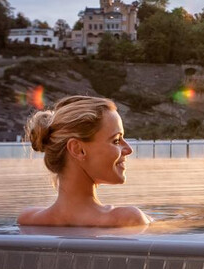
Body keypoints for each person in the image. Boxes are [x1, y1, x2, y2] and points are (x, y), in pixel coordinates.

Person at [18, 96, 151, 227]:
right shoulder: (127, 219)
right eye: (116, 140)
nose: (128, 149)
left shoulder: (28, 220)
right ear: (77, 149)